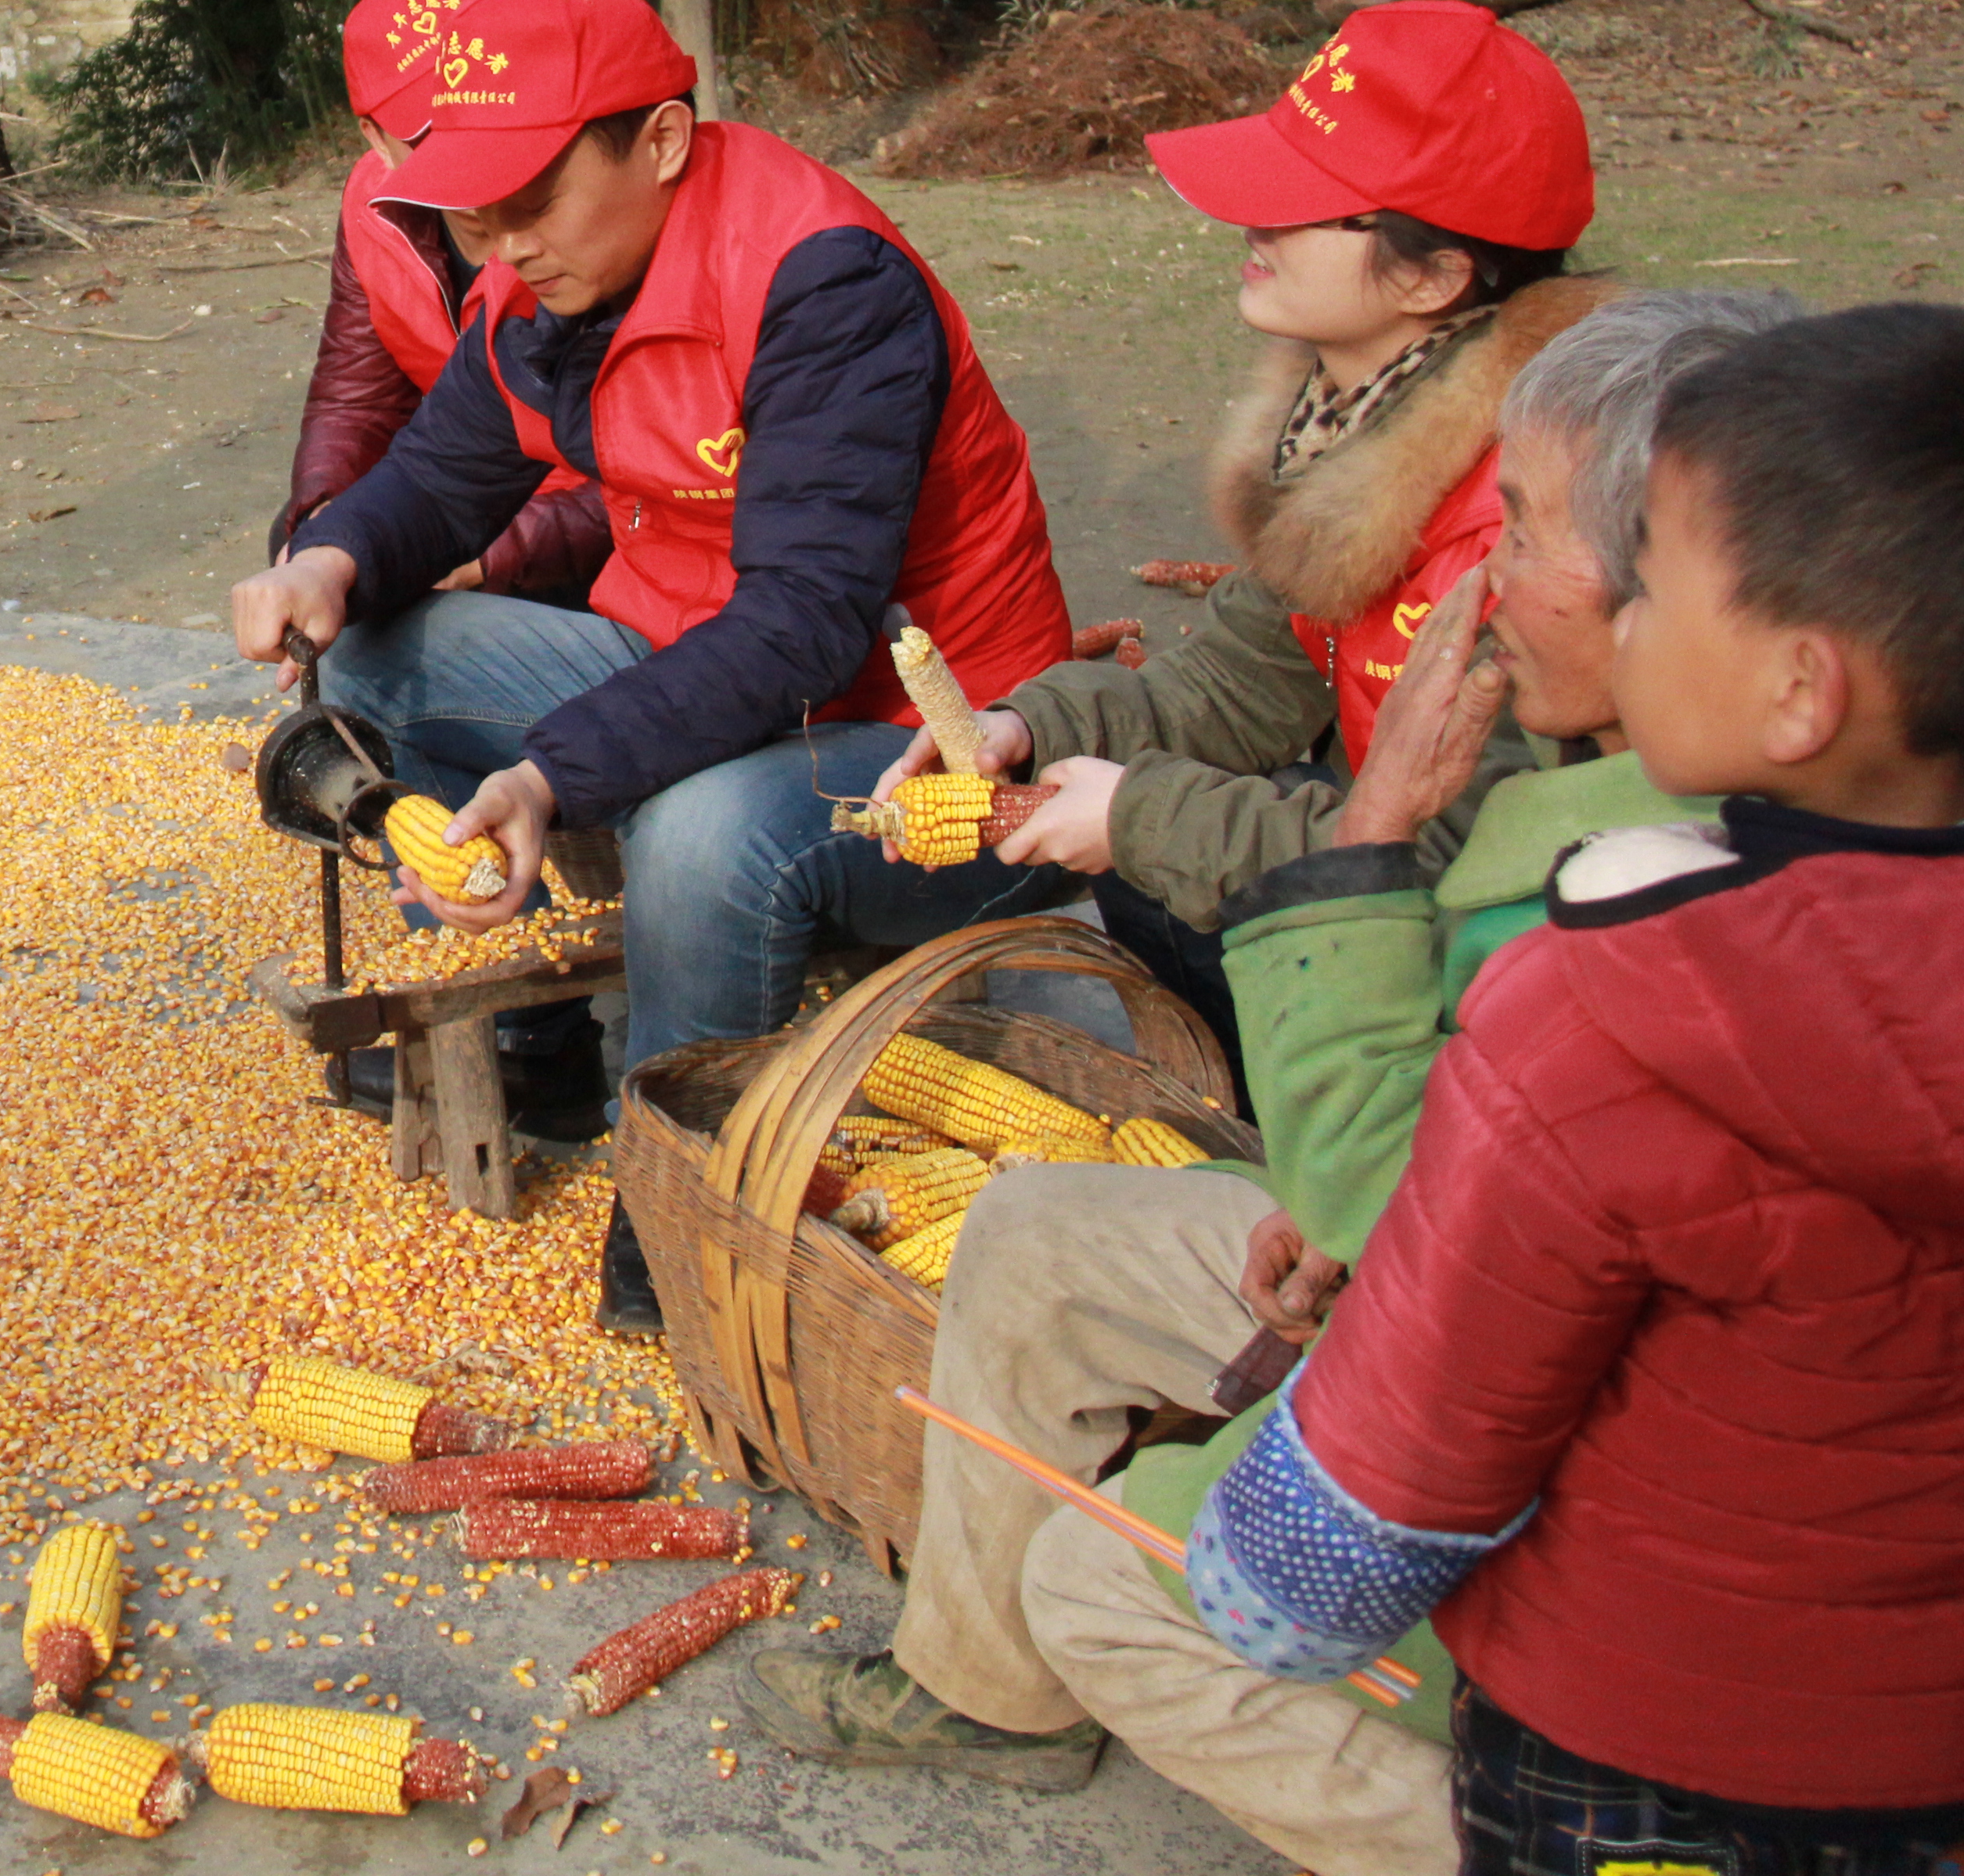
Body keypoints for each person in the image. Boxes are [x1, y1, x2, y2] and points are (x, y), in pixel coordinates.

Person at [737, 288, 1786, 1876]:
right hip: (1429, 1260)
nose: (1484, 580)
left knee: (1099, 1585)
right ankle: (986, 1699)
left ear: (1697, 585)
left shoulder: (1671, 883)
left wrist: (1344, 847)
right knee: (1035, 1240)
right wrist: (1040, 729)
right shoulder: (1578, 722)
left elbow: (1416, 1212)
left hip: (1587, 1472)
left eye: (1525, 531)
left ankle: (1550, 1844)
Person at [1188, 302, 1964, 1876]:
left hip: (1636, 1747)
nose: (1602, 614)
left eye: (1655, 590)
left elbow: (1387, 1477)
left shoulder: (1608, 1011)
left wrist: (1250, 1571)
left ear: (1800, 694)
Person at [228, 0, 1077, 1324]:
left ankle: (678, 1223)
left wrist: (553, 775)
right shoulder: (542, 284)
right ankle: (540, 1018)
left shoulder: (825, 284)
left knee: (701, 831)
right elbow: (444, 477)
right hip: (694, 662)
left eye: (532, 198)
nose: (499, 245)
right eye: (476, 210)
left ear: (663, 142)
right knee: (375, 652)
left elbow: (801, 625)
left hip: (922, 744)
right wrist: (326, 555)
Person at [877, 1, 1602, 1073]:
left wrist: (1147, 819)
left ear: (1434, 276)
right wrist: (1026, 725)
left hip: (1520, 989)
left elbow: (1467, 866)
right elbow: (1223, 685)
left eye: (1305, 206)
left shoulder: (1534, 522)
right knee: (1144, 852)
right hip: (1405, 889)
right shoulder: (1356, 433)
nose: (1252, 228)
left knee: (1150, 851)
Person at [273, 0, 608, 604]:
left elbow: (664, 468)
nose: (465, 143)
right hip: (458, 480)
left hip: (578, 510)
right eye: (429, 130)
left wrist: (494, 555)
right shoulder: (371, 210)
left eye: (479, 107)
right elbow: (356, 398)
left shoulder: (591, 217)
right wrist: (328, 515)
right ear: (374, 139)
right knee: (308, 552)